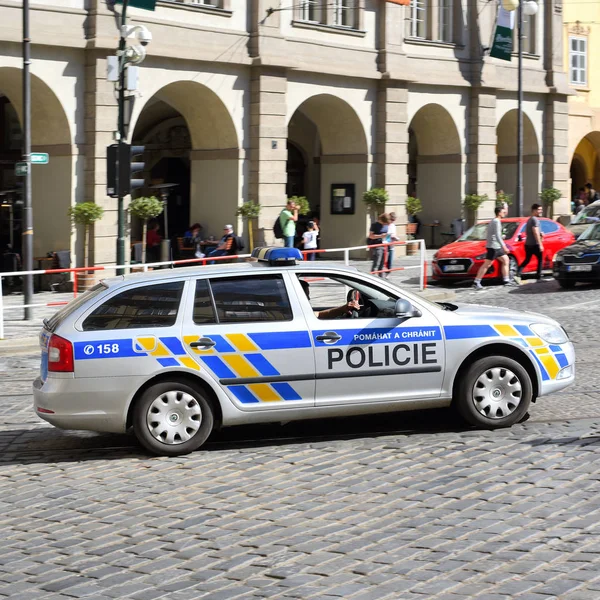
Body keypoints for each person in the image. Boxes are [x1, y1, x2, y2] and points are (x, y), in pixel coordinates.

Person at [472, 205, 517, 290]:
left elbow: (495, 234)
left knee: (505, 260)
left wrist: (501, 237)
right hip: (494, 247)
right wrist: (504, 246)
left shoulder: (493, 221)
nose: (504, 213)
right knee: (487, 264)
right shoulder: (496, 221)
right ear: (499, 213)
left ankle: (506, 280)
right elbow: (497, 235)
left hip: (494, 246)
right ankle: (477, 281)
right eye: (503, 212)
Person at [516, 203, 544, 281]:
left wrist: (540, 233)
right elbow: (535, 231)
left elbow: (529, 231)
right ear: (534, 210)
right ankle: (538, 276)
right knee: (540, 259)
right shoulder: (535, 219)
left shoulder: (529, 219)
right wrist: (540, 244)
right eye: (539, 210)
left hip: (528, 244)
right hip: (535, 244)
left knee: (527, 259)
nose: (541, 211)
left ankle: (518, 273)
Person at [385, 212, 399, 278]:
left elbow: (393, 234)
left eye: (393, 220)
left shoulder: (393, 225)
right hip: (386, 244)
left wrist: (395, 238)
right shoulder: (386, 225)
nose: (392, 221)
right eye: (392, 219)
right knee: (385, 259)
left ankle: (388, 272)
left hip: (391, 244)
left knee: (390, 259)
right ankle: (383, 271)